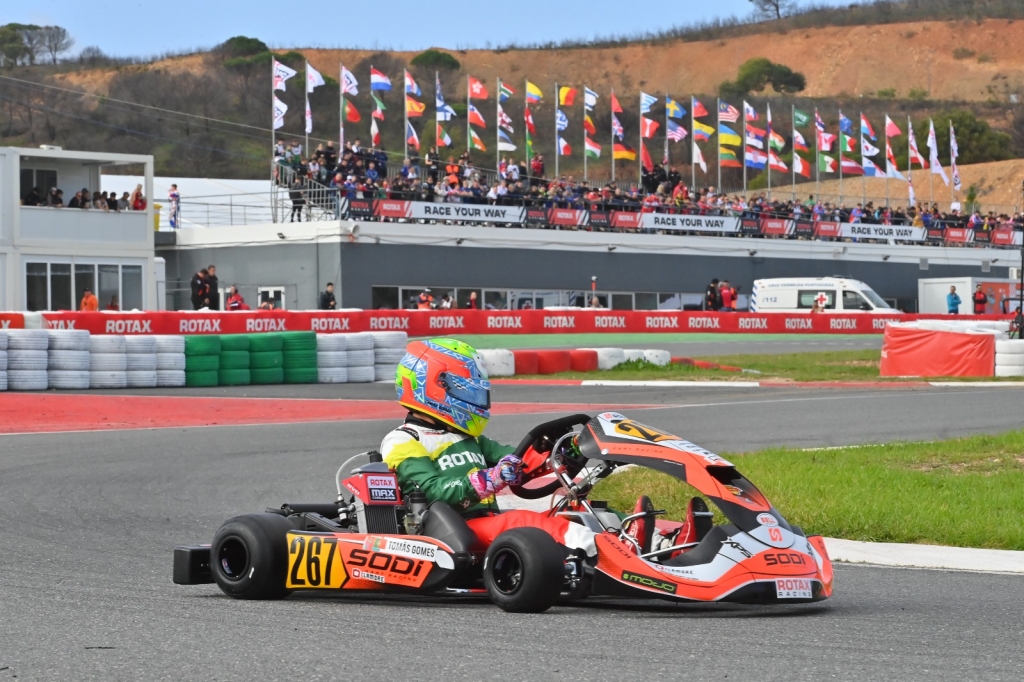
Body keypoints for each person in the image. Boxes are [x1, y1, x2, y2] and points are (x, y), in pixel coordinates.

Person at [380, 339, 706, 564]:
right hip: (450, 530)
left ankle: (668, 543)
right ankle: (614, 553)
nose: (474, 398)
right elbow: (432, 491)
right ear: (430, 387)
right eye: (464, 390)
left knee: (576, 510)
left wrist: (567, 451)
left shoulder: (468, 438)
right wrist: (487, 479)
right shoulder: (403, 440)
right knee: (521, 520)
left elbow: (521, 461)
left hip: (485, 521)